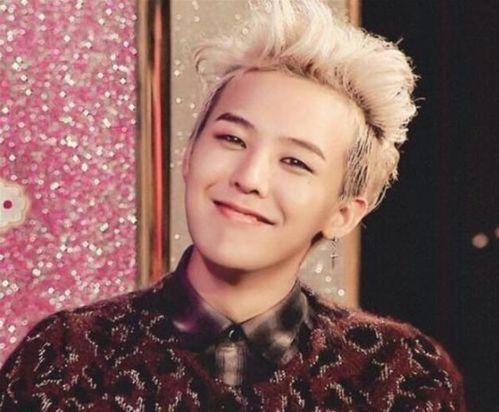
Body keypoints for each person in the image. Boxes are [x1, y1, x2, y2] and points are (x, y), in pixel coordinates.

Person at [0, 0, 466, 410]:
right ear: (189, 154)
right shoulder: (64, 357)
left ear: (343, 213)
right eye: (232, 139)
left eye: (295, 162)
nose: (249, 177)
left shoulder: (399, 377)